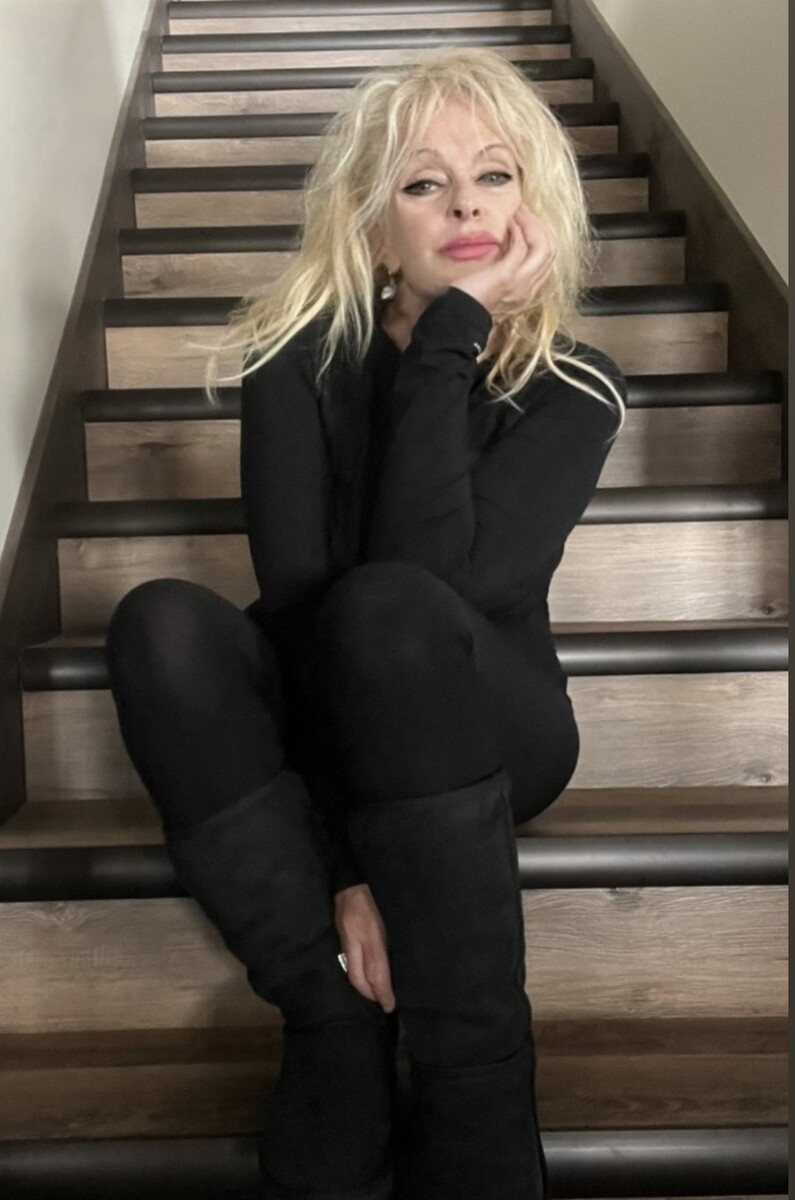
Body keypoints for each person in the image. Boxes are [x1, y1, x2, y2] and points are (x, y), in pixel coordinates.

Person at [106, 46, 627, 1200]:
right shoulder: (295, 361)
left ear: (533, 202)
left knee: (393, 606)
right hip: (325, 707)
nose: (466, 207)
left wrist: (451, 336)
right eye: (423, 184)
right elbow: (298, 607)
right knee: (161, 627)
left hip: (486, 725)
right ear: (374, 223)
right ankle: (331, 1017)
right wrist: (348, 866)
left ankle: (476, 1074)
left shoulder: (574, 387)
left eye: (494, 175)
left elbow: (443, 581)